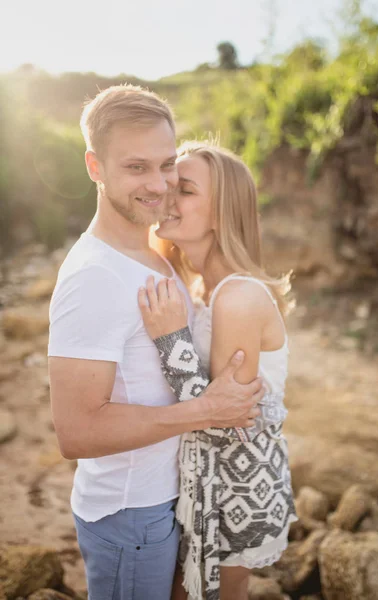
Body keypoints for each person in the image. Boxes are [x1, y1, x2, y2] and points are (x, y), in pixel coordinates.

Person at [47, 86, 266, 600]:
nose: (159, 184)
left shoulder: (153, 255)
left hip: (166, 500)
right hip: (130, 514)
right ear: (95, 167)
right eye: (136, 168)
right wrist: (205, 410)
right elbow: (75, 432)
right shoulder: (93, 275)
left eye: (167, 165)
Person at [138, 141, 298, 600]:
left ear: (220, 214)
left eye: (183, 190)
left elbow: (225, 422)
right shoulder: (203, 290)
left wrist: (171, 339)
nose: (167, 198)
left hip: (241, 495)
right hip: (206, 489)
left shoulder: (238, 298)